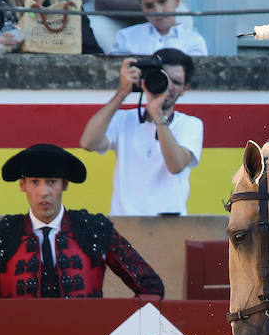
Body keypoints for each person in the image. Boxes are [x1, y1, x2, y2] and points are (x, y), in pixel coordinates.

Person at [0, 144, 166, 298]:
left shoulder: (94, 229)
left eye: (51, 182)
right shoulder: (2, 234)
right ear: (22, 185)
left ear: (64, 184)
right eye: (34, 182)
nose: (43, 192)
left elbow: (151, 287)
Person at [78, 48, 203, 216]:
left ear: (185, 88)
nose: (169, 87)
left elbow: (176, 165)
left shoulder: (190, 124)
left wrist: (157, 114)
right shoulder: (124, 119)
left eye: (177, 82)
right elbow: (88, 143)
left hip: (170, 225)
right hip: (124, 223)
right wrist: (122, 93)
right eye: (165, 78)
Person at [108, 0, 209, 56]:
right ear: (142, 9)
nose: (157, 11)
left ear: (176, 1)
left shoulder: (193, 41)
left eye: (162, 1)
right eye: (149, 6)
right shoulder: (126, 38)